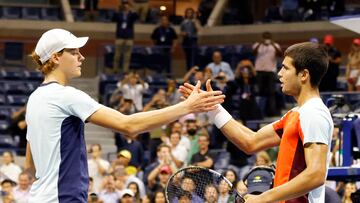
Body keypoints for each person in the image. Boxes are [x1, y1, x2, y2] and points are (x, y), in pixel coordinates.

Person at [25, 28, 225, 203]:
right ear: (55, 57)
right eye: (74, 52)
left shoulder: (34, 99)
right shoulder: (66, 95)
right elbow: (129, 125)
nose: (81, 57)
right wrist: (187, 107)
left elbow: (30, 163)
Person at [180, 42, 333, 202]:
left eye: (286, 68)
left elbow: (316, 175)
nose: (279, 73)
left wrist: (263, 198)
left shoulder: (314, 113)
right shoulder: (296, 114)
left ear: (303, 75)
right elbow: (250, 142)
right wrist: (213, 108)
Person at [252, 31, 282, 116]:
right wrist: (260, 43)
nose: (266, 39)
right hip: (259, 72)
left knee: (271, 93)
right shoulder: (257, 45)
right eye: (265, 37)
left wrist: (272, 44)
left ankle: (271, 112)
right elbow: (253, 53)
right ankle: (260, 112)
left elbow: (280, 54)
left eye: (268, 37)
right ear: (262, 37)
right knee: (260, 92)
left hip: (271, 72)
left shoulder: (275, 45)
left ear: (270, 38)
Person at [112, 1, 138, 73]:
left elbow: (136, 16)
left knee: (127, 56)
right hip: (119, 37)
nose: (126, 7)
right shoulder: (119, 14)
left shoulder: (131, 14)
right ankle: (115, 70)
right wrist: (117, 9)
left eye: (127, 6)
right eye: (125, 5)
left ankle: (125, 71)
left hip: (129, 37)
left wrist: (132, 7)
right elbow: (113, 18)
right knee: (117, 55)